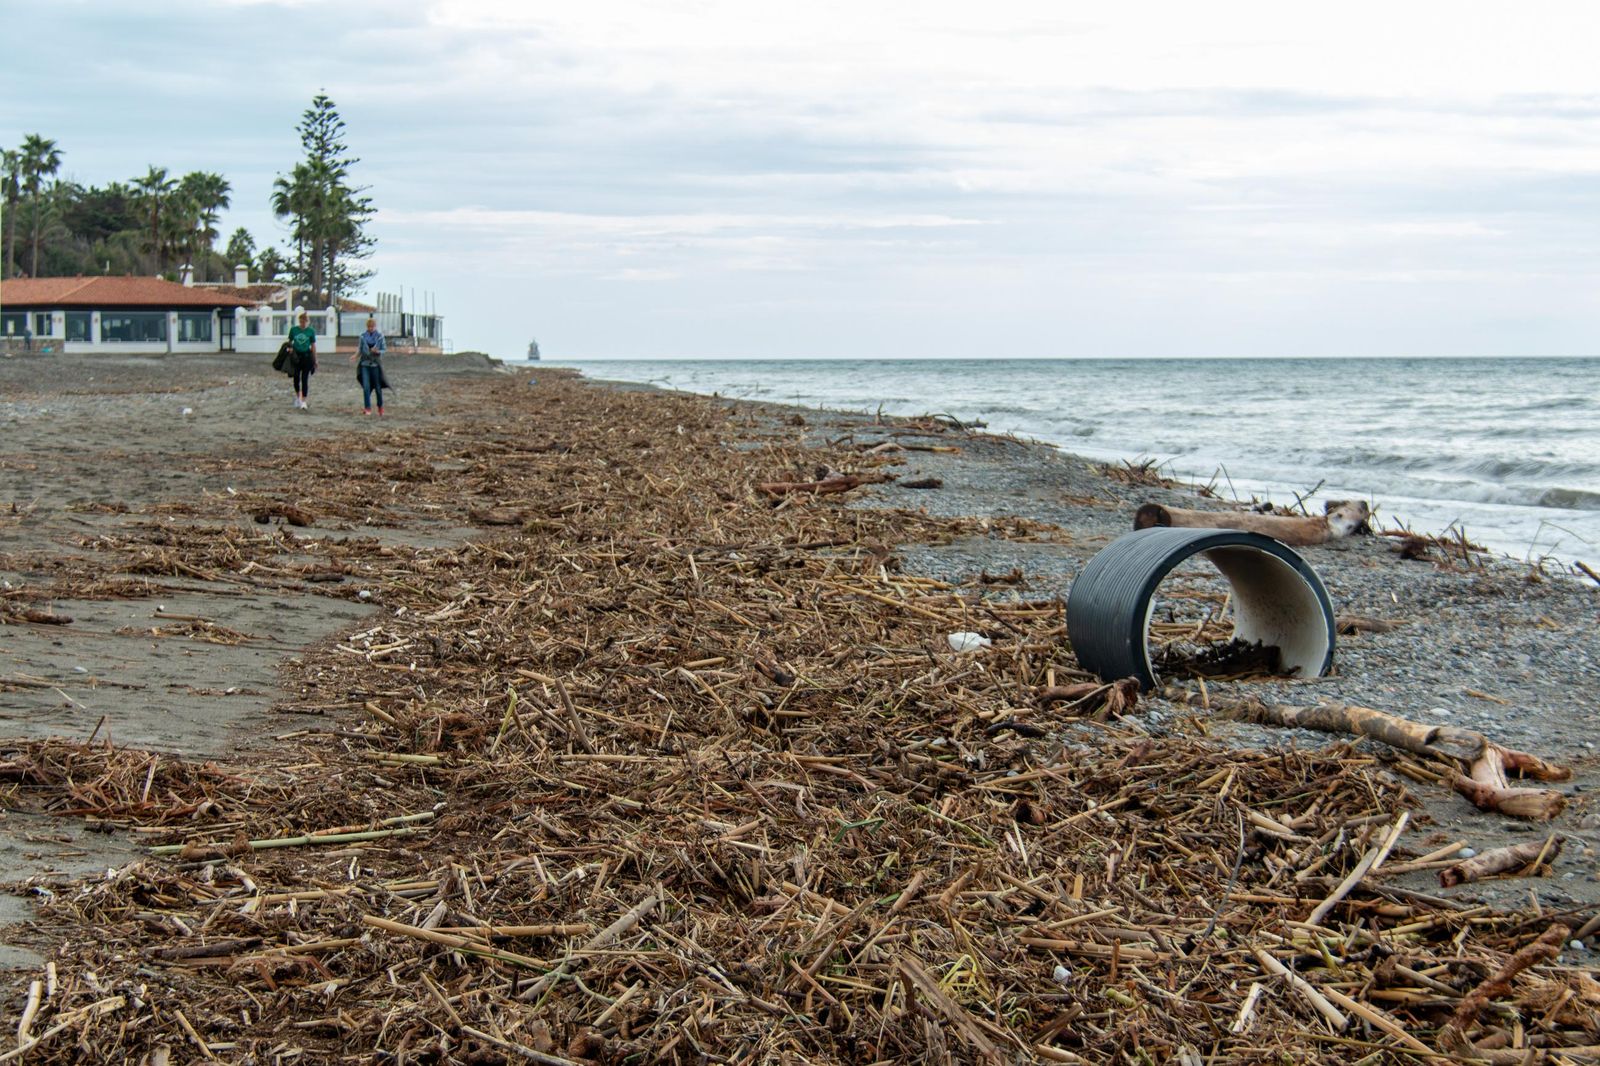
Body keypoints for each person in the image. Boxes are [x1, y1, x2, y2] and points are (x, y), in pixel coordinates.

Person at [352, 317, 389, 415]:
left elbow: (384, 349)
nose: (371, 328)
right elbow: (360, 349)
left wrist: (378, 351)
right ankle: (367, 407)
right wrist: (355, 356)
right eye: (369, 327)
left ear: (375, 327)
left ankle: (380, 406)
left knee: (377, 387)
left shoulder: (380, 336)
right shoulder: (363, 336)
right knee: (366, 386)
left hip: (375, 364)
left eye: (372, 326)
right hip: (364, 364)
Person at [286, 311, 317, 409]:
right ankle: (298, 397)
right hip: (296, 356)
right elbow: (290, 341)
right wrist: (290, 348)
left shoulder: (311, 331)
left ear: (307, 322)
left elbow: (313, 346)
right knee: (296, 378)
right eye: (301, 322)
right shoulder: (294, 330)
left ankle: (304, 400)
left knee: (304, 379)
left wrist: (315, 359)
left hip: (306, 356)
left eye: (304, 322)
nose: (303, 324)